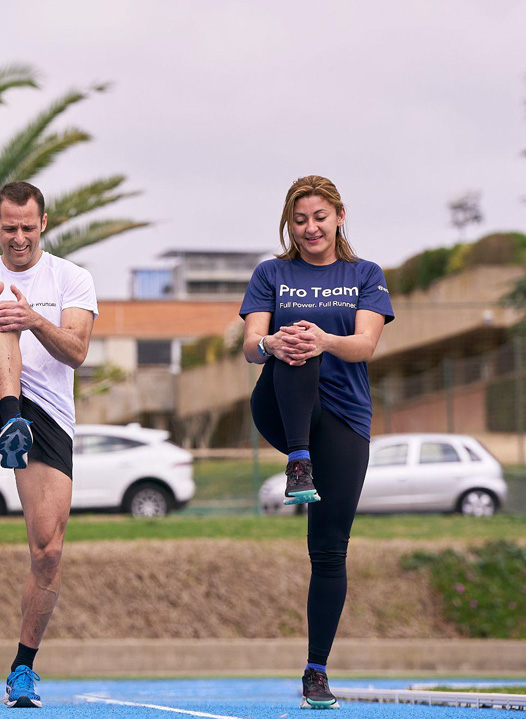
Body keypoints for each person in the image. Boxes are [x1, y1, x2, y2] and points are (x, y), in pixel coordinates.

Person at [240, 175, 394, 709]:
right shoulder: (271, 273)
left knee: (329, 551)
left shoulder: (365, 275)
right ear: (290, 223)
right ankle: (298, 463)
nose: (310, 228)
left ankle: (315, 672)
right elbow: (249, 347)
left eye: (319, 218)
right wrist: (272, 340)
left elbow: (365, 345)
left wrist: (325, 339)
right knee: (292, 345)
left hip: (345, 419)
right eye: (300, 219)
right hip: (282, 411)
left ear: (339, 217)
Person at [0, 181, 97, 708]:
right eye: (9, 228)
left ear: (44, 224)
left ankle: (23, 668)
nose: (18, 238)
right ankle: (12, 424)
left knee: (48, 549)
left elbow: (76, 351)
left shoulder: (72, 279)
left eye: (28, 228)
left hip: (49, 415)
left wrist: (35, 318)